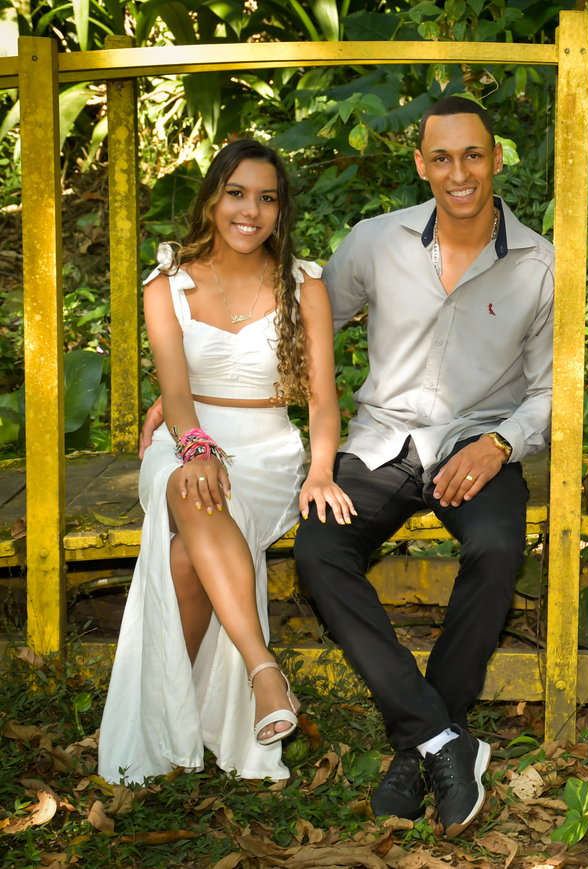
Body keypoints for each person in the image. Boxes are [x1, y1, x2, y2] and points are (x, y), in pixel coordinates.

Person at [291, 97, 554, 835]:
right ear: (421, 165)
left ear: (495, 158)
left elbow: (550, 391)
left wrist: (501, 444)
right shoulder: (376, 241)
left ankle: (420, 745)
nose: (459, 172)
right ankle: (439, 737)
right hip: (381, 440)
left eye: (473, 155)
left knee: (497, 547)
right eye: (442, 158)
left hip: (475, 445)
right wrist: (196, 394)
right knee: (318, 549)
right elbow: (304, 327)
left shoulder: (539, 264)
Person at [100, 139, 349, 783]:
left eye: (267, 198)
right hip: (185, 439)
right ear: (212, 199)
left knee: (187, 555)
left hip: (267, 452)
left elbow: (323, 402)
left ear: (280, 210)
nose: (250, 211)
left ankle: (169, 729)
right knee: (194, 484)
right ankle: (264, 672)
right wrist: (196, 446)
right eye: (237, 193)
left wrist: (321, 470)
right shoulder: (169, 284)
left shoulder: (304, 287)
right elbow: (177, 394)